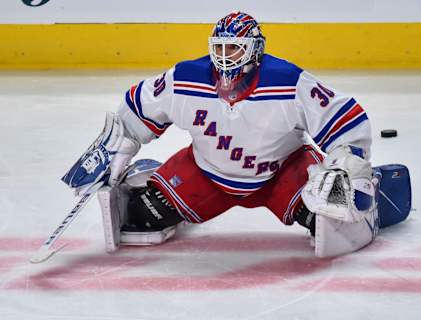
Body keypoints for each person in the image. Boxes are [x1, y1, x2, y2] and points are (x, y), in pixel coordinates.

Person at [72, 12, 384, 257]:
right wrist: (115, 146)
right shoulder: (186, 79)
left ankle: (375, 195)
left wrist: (347, 165)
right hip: (207, 175)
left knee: (327, 221)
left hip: (281, 174)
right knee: (142, 216)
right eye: (219, 48)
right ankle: (149, 177)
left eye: (234, 48)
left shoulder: (287, 82)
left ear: (255, 50)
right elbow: (139, 107)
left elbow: (344, 120)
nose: (225, 56)